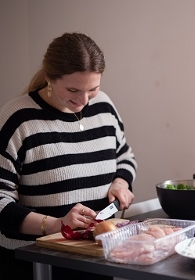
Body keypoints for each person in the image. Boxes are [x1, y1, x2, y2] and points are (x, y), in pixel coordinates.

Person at [0, 32, 137, 279]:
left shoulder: (104, 106)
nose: (83, 101)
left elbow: (125, 156)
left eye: (93, 88)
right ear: (48, 78)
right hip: (35, 263)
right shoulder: (17, 119)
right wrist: (55, 225)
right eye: (72, 89)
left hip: (96, 257)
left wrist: (120, 183)